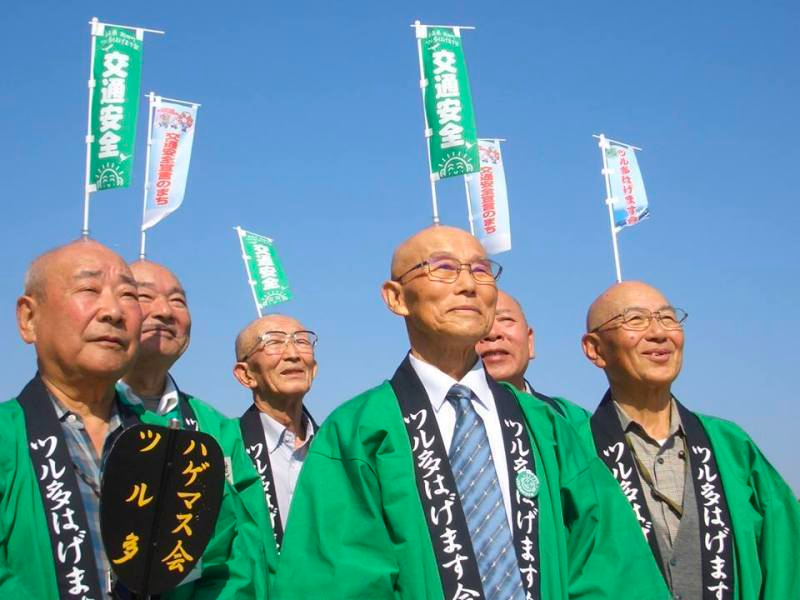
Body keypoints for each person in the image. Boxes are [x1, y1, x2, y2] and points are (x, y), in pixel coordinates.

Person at [272, 226, 667, 600]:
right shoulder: (358, 431)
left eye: (481, 270)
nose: (468, 284)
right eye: (443, 268)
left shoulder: (547, 427)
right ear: (396, 298)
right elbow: (336, 581)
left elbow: (610, 567)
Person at [581, 280, 800, 599]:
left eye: (668, 318)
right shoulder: (575, 451)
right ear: (595, 349)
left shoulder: (730, 445)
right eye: (636, 319)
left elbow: (786, 558)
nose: (659, 332)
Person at [1, 240, 172, 597]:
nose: (114, 311)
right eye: (89, 289)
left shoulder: (172, 448)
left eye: (128, 295)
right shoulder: (7, 438)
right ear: (29, 318)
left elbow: (217, 567)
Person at [117, 259, 268, 599]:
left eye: (178, 301)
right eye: (144, 296)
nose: (164, 312)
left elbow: (243, 553)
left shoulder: (216, 430)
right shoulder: (80, 419)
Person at [232, 314, 318, 557]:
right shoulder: (227, 448)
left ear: (314, 369)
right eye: (273, 341)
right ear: (245, 375)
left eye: (302, 341)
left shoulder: (337, 448)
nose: (293, 353)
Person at [476, 289, 589, 425]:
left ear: (530, 341)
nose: (492, 333)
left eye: (506, 319)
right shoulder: (453, 420)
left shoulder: (573, 421)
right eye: (476, 321)